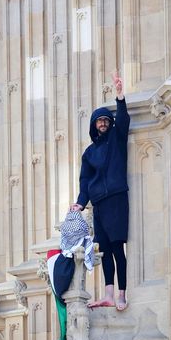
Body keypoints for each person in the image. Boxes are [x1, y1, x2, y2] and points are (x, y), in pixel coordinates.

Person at [70, 71, 130, 311]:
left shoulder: (117, 139)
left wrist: (120, 96)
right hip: (99, 202)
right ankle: (108, 293)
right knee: (104, 249)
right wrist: (80, 203)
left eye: (106, 120)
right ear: (94, 125)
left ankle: (122, 293)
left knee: (118, 247)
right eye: (99, 121)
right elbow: (85, 181)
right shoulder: (89, 153)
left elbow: (124, 120)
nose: (103, 123)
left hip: (116, 197)